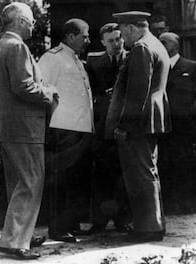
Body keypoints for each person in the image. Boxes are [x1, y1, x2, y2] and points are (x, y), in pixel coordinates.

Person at [0, 2, 58, 260]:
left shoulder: (2, 45)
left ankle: (21, 235)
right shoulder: (17, 46)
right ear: (20, 21)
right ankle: (14, 241)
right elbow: (23, 87)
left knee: (18, 182)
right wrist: (49, 93)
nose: (33, 25)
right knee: (31, 182)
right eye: (30, 20)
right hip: (24, 126)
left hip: (9, 126)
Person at [106, 11, 171, 242]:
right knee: (148, 171)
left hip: (139, 121)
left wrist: (124, 125)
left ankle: (148, 228)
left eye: (123, 31)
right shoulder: (155, 44)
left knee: (140, 173)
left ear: (132, 28)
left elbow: (137, 94)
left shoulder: (142, 49)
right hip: (150, 119)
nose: (122, 37)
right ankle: (153, 224)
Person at [39, 18, 94, 243]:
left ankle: (70, 224)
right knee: (60, 180)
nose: (88, 40)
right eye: (85, 35)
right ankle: (58, 228)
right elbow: (43, 90)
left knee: (75, 180)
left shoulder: (75, 59)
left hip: (80, 129)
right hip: (62, 129)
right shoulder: (53, 58)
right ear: (70, 36)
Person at [85, 23, 131, 234]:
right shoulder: (94, 62)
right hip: (103, 125)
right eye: (111, 40)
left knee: (125, 174)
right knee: (102, 174)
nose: (116, 44)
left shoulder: (133, 58)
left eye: (119, 39)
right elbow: (89, 92)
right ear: (103, 42)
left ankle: (124, 219)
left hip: (126, 125)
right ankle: (100, 220)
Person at [158, 32, 196, 214]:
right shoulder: (157, 68)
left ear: (176, 45)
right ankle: (169, 205)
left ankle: (187, 203)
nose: (161, 44)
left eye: (165, 42)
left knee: (184, 164)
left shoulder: (192, 67)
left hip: (184, 126)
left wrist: (189, 114)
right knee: (164, 163)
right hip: (162, 125)